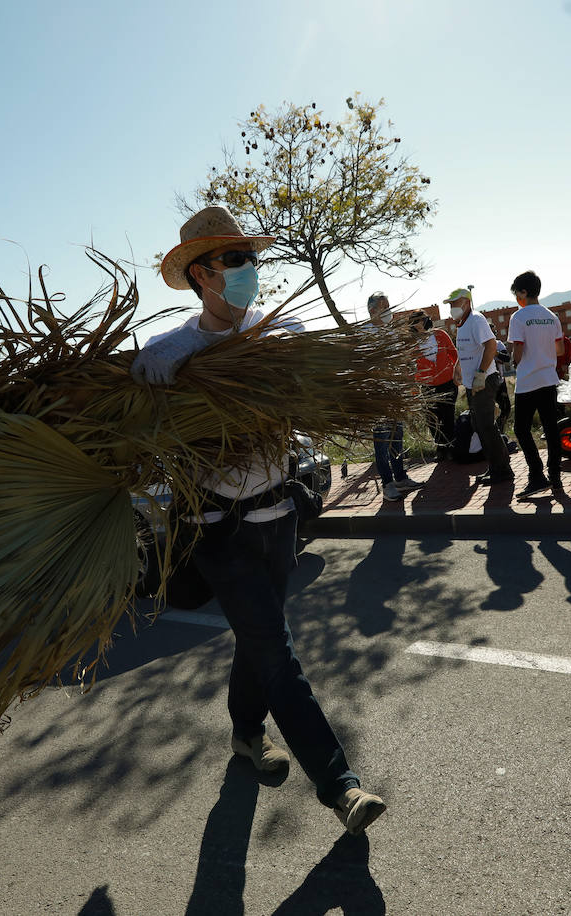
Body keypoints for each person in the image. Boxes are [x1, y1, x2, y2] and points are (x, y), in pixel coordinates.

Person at [131, 205, 386, 835]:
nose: (249, 270)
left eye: (251, 258)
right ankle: (341, 786)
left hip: (281, 520)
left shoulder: (281, 333)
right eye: (234, 260)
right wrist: (150, 388)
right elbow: (139, 440)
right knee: (277, 652)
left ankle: (246, 734)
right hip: (221, 530)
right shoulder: (170, 354)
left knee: (259, 638)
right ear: (201, 275)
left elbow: (324, 387)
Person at [506, 270, 568, 497]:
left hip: (528, 381)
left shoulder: (518, 317)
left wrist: (512, 357)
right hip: (549, 379)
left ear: (523, 292)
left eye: (516, 294)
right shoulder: (552, 316)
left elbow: (519, 353)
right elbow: (560, 349)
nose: (517, 299)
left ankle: (536, 476)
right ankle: (556, 476)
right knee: (551, 428)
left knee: (521, 429)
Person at [446, 287, 514, 485]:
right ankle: (496, 466)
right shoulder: (462, 324)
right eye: (450, 305)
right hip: (472, 383)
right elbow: (465, 350)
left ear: (466, 302)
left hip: (484, 381)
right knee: (481, 426)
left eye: (454, 304)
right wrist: (458, 368)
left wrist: (480, 374)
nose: (451, 308)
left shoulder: (476, 319)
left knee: (485, 426)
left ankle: (502, 471)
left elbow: (491, 346)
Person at [365, 292, 423, 501]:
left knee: (396, 439)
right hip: (378, 398)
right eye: (384, 307)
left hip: (395, 394)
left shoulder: (390, 332)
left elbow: (400, 359)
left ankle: (400, 477)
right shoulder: (365, 334)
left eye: (389, 306)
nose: (389, 310)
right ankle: (388, 484)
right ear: (373, 311)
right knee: (381, 444)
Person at [408, 310, 459, 459]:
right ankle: (441, 448)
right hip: (427, 387)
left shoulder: (440, 335)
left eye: (421, 319)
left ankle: (452, 447)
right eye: (415, 320)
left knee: (448, 416)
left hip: (448, 382)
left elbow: (454, 354)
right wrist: (412, 387)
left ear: (426, 320)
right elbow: (410, 366)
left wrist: (458, 373)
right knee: (432, 419)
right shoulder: (413, 342)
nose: (418, 322)